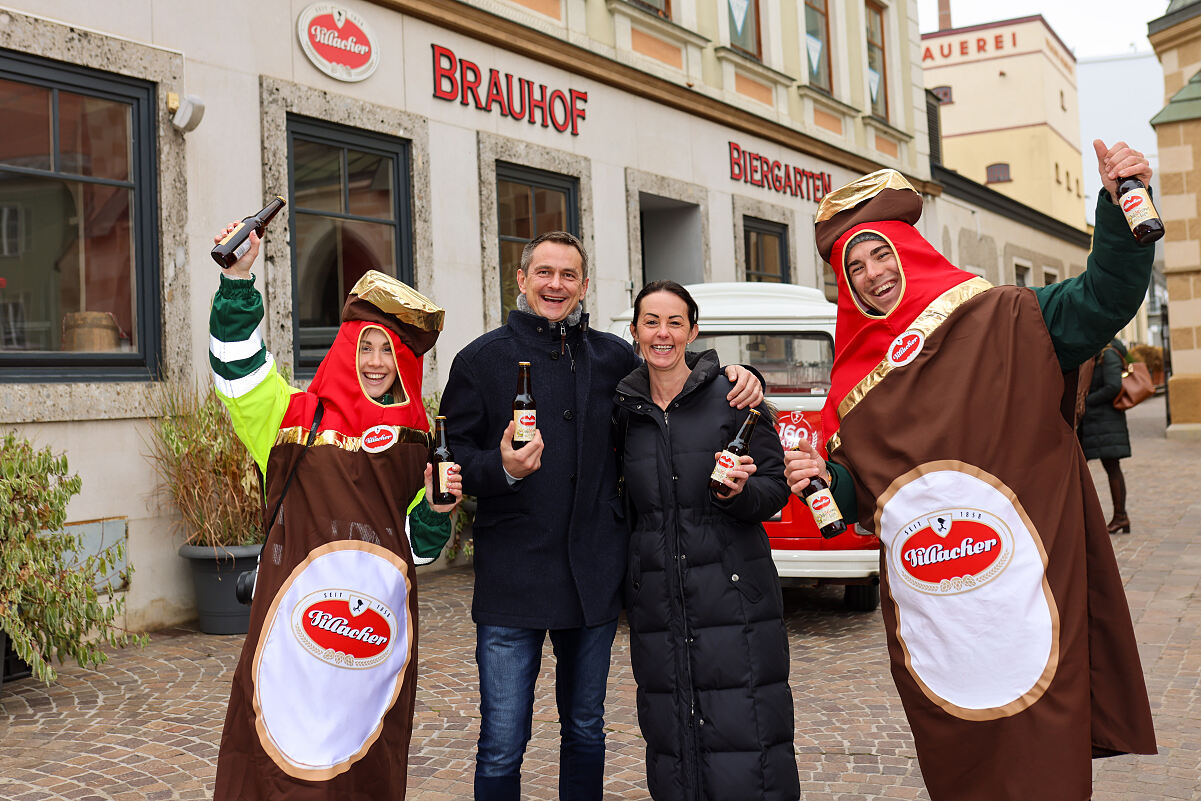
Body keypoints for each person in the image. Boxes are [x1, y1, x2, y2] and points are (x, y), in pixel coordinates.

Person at [784, 140, 1156, 801]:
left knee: (1043, 760)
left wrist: (1116, 198)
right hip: (940, 626)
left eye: (880, 254)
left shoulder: (1008, 318)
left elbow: (1106, 295)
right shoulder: (851, 390)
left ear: (909, 251)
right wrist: (822, 472)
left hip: (1022, 597)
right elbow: (860, 500)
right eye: (855, 265)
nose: (871, 274)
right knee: (960, 768)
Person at [438, 231, 763, 801]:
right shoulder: (479, 360)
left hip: (592, 575)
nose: (555, 285)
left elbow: (675, 380)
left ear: (585, 286)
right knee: (500, 741)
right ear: (522, 280)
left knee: (585, 729)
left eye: (568, 276)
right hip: (511, 578)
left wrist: (740, 376)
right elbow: (450, 458)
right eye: (544, 273)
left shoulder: (613, 358)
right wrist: (503, 468)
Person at [208, 223, 461, 801]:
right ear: (346, 346)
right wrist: (237, 281)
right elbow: (238, 375)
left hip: (371, 644)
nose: (376, 363)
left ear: (404, 364)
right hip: (290, 639)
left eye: (389, 352)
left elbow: (415, 548)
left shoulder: (420, 440)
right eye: (365, 345)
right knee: (275, 771)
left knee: (358, 771)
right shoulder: (295, 417)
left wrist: (437, 512)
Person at [613, 281, 797, 801]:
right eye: (651, 322)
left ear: (694, 331)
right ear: (635, 332)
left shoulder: (735, 398)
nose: (662, 333)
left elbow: (774, 488)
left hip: (734, 594)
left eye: (675, 322)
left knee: (750, 734)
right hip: (657, 602)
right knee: (670, 736)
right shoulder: (625, 411)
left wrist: (740, 493)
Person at [1079, 338, 1133, 533]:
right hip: (1096, 423)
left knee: (1112, 468)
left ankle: (1121, 516)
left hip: (1107, 422)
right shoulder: (1097, 352)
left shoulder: (1107, 353)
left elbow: (1113, 386)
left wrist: (1086, 401)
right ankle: (1090, 519)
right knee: (1083, 469)